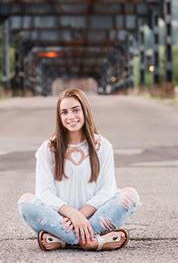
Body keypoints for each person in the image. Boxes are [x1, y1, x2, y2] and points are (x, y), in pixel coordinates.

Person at [17, 88, 141, 251]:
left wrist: (81, 214)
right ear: (59, 117)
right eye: (64, 112)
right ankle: (93, 241)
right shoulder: (48, 149)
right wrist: (73, 215)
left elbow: (107, 189)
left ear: (85, 111)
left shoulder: (102, 146)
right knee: (25, 203)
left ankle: (62, 239)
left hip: (92, 216)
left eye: (75, 110)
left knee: (130, 196)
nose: (70, 117)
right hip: (61, 219)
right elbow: (44, 193)